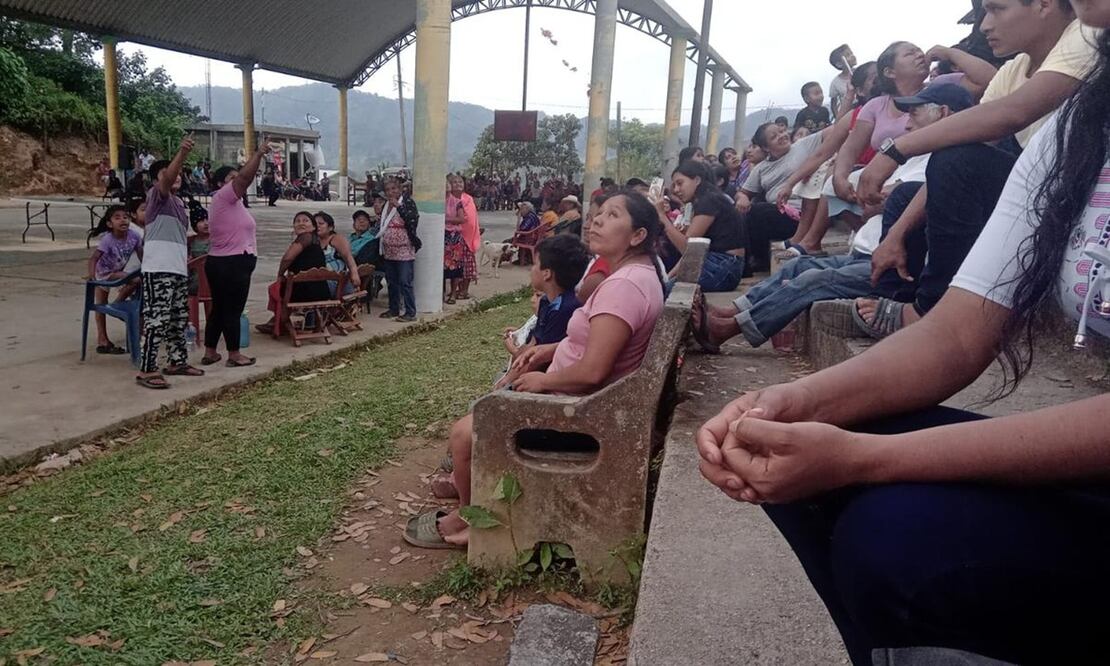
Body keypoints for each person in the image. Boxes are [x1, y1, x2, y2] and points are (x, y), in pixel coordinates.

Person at [698, 4, 1110, 661]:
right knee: (778, 453)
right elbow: (956, 335)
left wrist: (869, 458)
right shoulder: (1080, 127)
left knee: (893, 537)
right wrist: (794, 404)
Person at [405, 190, 666, 549]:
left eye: (614, 215)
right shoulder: (636, 275)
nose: (599, 220)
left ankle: (471, 519)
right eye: (600, 212)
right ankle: (471, 495)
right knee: (483, 411)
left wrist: (544, 380)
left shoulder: (624, 286)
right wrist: (549, 349)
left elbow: (592, 371)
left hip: (579, 414)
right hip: (588, 401)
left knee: (465, 432)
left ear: (637, 236)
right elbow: (600, 344)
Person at [851, 2, 1095, 337]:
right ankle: (902, 293)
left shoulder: (1085, 38)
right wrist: (895, 235)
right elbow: (966, 152)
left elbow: (1013, 113)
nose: (984, 26)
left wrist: (897, 149)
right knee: (916, 190)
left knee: (957, 162)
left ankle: (933, 311)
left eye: (997, 10)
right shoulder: (1015, 69)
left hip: (1078, 206)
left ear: (1043, 4)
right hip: (1035, 194)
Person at [692, 86, 962, 352]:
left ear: (942, 113)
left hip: (890, 268)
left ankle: (727, 329)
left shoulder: (944, 163)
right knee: (796, 267)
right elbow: (872, 198)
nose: (906, 125)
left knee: (813, 279)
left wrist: (876, 197)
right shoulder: (917, 157)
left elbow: (885, 200)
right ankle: (732, 311)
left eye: (914, 114)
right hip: (866, 252)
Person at [773, 61, 881, 256]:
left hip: (887, 171)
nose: (882, 81)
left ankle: (811, 239)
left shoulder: (903, 105)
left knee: (830, 174)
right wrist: (789, 183)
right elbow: (822, 153)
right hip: (861, 172)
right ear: (860, 91)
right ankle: (809, 238)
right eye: (875, 78)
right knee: (827, 175)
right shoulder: (855, 116)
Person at [199, 138, 271, 368]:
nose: (236, 183)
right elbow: (244, 178)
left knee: (220, 308)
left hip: (225, 261)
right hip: (232, 262)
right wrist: (258, 154)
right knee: (232, 309)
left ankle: (210, 351)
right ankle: (234, 353)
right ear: (221, 183)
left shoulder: (233, 203)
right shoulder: (223, 197)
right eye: (230, 179)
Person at [136, 137, 200, 389]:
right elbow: (165, 181)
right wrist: (182, 153)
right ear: (156, 179)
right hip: (158, 268)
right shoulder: (156, 195)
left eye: (179, 173)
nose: (176, 176)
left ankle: (177, 361)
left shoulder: (179, 204)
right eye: (170, 172)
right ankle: (147, 369)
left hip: (176, 268)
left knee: (177, 318)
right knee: (157, 319)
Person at [497, 234, 590, 388]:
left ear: (546, 273)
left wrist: (508, 383)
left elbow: (538, 359)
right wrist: (508, 377)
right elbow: (534, 343)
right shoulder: (547, 302)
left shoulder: (565, 309)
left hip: (547, 379)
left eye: (534, 264)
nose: (531, 270)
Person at [736, 122, 831, 271]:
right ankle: (749, 260)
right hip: (777, 214)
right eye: (774, 137)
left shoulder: (802, 145)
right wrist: (743, 198)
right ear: (766, 148)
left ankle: (759, 260)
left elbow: (836, 129)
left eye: (782, 131)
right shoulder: (761, 168)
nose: (782, 136)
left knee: (758, 211)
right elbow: (744, 192)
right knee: (746, 213)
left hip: (802, 213)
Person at [662, 160, 746, 292]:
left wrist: (661, 217)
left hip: (724, 266)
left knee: (666, 292)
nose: (676, 190)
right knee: (663, 288)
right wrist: (668, 277)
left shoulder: (709, 201)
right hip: (721, 264)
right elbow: (692, 255)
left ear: (696, 180)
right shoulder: (706, 199)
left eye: (680, 183)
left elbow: (688, 249)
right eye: (674, 185)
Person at [256, 212, 327, 335]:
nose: (301, 223)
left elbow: (288, 258)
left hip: (304, 291)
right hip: (320, 291)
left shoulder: (305, 237)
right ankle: (277, 321)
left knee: (276, 288)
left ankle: (279, 322)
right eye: (297, 221)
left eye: (305, 220)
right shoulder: (315, 241)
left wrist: (280, 274)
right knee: (282, 287)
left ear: (314, 227)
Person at [86, 205, 142, 355]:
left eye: (125, 217)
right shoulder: (107, 240)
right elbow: (94, 258)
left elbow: (141, 253)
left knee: (136, 279)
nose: (122, 220)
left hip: (118, 270)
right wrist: (92, 275)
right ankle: (102, 338)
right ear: (110, 224)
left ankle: (118, 303)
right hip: (104, 273)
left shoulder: (134, 236)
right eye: (117, 218)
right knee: (100, 304)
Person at [380, 177, 421, 322]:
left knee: (405, 281)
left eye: (394, 189)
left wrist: (398, 206)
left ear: (400, 189)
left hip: (404, 249)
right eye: (388, 190)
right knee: (392, 281)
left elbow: (412, 219)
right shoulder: (386, 205)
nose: (391, 192)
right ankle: (394, 308)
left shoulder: (407, 202)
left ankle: (410, 312)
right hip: (389, 250)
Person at [444, 173, 480, 304]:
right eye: (454, 182)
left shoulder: (468, 199)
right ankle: (457, 290)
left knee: (468, 264)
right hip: (453, 236)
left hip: (467, 236)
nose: (458, 184)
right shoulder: (448, 200)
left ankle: (464, 291)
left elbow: (471, 219)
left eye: (460, 182)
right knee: (456, 265)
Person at [314, 211, 361, 299]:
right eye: (315, 224)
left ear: (330, 227)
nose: (318, 226)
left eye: (321, 223)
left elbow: (348, 257)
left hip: (338, 282)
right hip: (320, 279)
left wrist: (354, 274)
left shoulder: (336, 239)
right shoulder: (313, 241)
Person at [828, 43, 857, 119]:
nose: (853, 56)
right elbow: (833, 104)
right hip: (848, 115)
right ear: (839, 64)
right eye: (848, 55)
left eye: (852, 53)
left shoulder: (861, 72)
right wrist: (838, 118)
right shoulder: (835, 82)